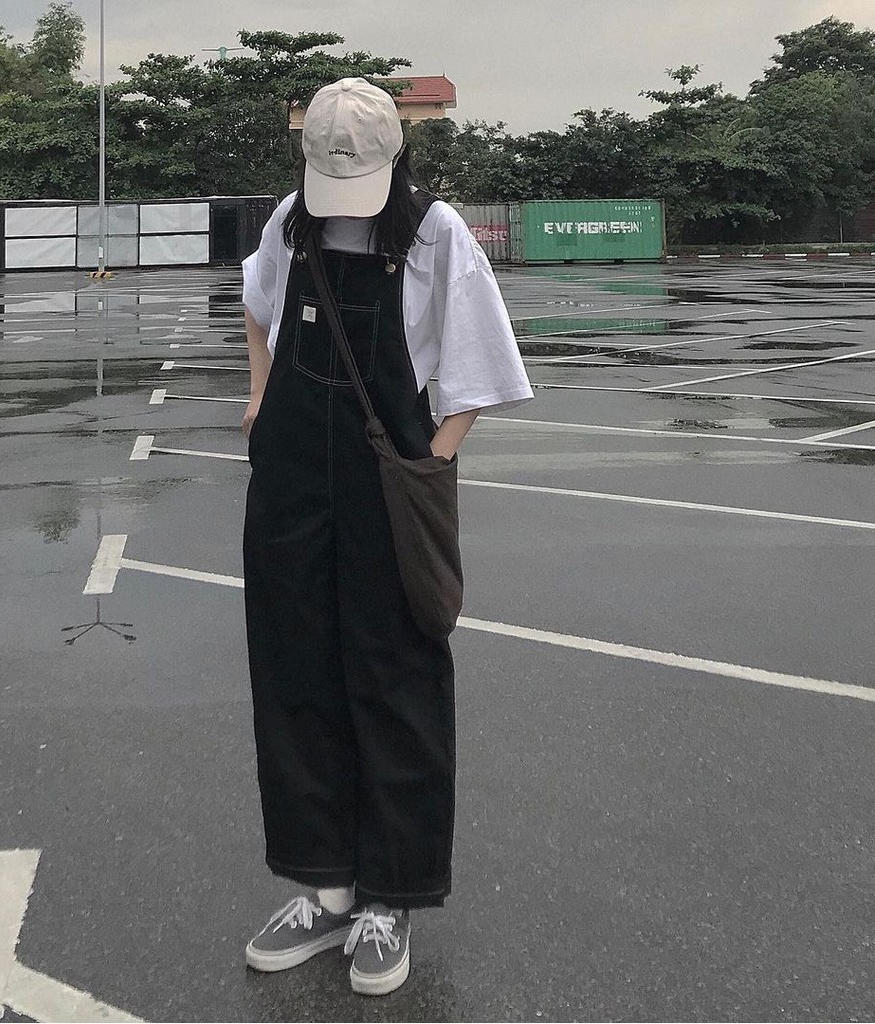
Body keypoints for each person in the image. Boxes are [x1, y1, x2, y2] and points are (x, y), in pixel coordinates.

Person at [239, 77, 533, 997]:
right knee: (294, 667)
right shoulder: (291, 223)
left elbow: (481, 369)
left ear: (394, 160)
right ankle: (325, 888)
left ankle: (388, 898)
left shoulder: (435, 234)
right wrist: (259, 398)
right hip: (291, 477)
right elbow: (258, 307)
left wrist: (429, 462)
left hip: (387, 476)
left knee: (395, 673)